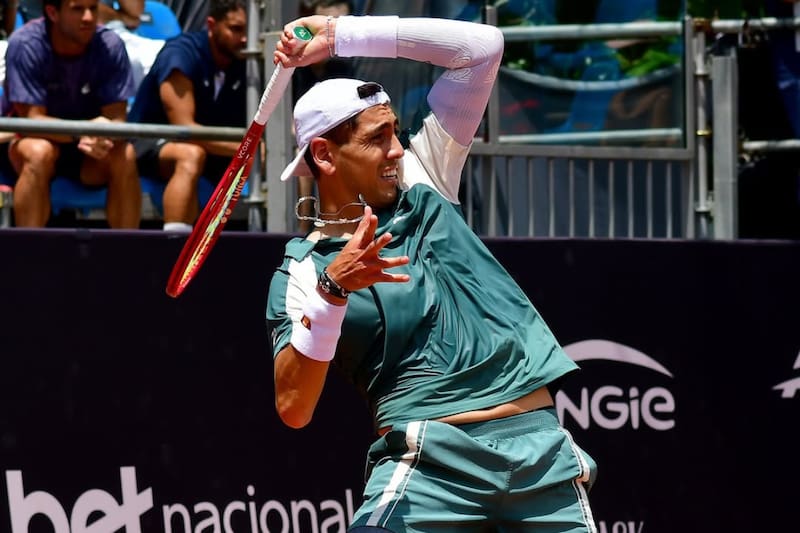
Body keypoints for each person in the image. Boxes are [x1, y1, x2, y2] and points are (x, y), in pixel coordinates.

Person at [266, 13, 598, 533]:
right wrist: (333, 293)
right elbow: (293, 406)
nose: (398, 149)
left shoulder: (425, 176)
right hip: (431, 467)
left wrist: (340, 34)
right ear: (325, 155)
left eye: (396, 132)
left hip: (542, 460)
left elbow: (482, 47)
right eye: (378, 138)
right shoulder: (306, 271)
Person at [4, 0, 141, 228]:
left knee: (124, 154)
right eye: (78, 9)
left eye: (93, 8)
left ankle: (126, 258)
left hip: (90, 152)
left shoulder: (110, 45)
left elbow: (117, 119)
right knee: (39, 152)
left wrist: (103, 135)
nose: (88, 17)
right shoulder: (25, 44)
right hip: (34, 142)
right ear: (52, 12)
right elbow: (32, 121)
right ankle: (29, 258)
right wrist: (83, 132)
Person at [128, 0, 247, 232]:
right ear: (211, 25)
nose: (244, 39)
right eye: (236, 29)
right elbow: (185, 130)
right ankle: (177, 245)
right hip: (148, 144)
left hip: (212, 150)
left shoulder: (245, 61)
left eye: (247, 31)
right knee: (190, 155)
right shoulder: (181, 53)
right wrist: (247, 150)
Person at [293, 0, 355, 233]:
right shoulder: (292, 66)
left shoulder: (343, 69)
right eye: (326, 31)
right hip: (301, 143)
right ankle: (304, 226)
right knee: (305, 145)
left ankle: (338, 221)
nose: (331, 41)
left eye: (338, 33)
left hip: (333, 139)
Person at [97, 0, 167, 90]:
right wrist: (122, 18)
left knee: (175, 53)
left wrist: (116, 17)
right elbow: (84, 9)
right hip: (95, 39)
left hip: (122, 33)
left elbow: (136, 11)